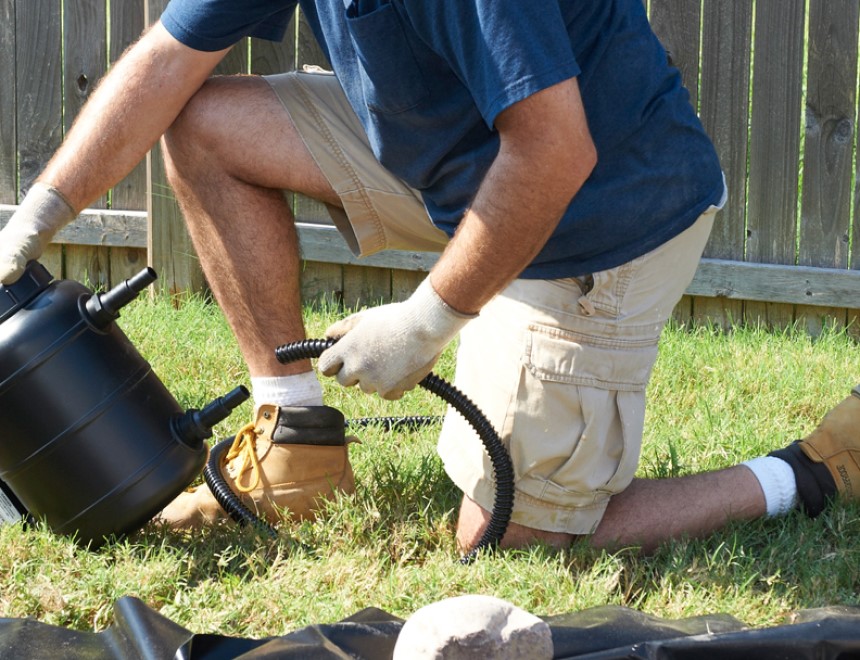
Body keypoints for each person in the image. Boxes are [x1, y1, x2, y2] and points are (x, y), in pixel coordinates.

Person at [0, 0, 858, 554]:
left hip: (600, 217)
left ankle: (816, 466)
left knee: (509, 541)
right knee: (206, 122)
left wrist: (425, 321)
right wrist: (33, 221)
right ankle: (296, 445)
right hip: (457, 164)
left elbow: (557, 150)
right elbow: (162, 64)